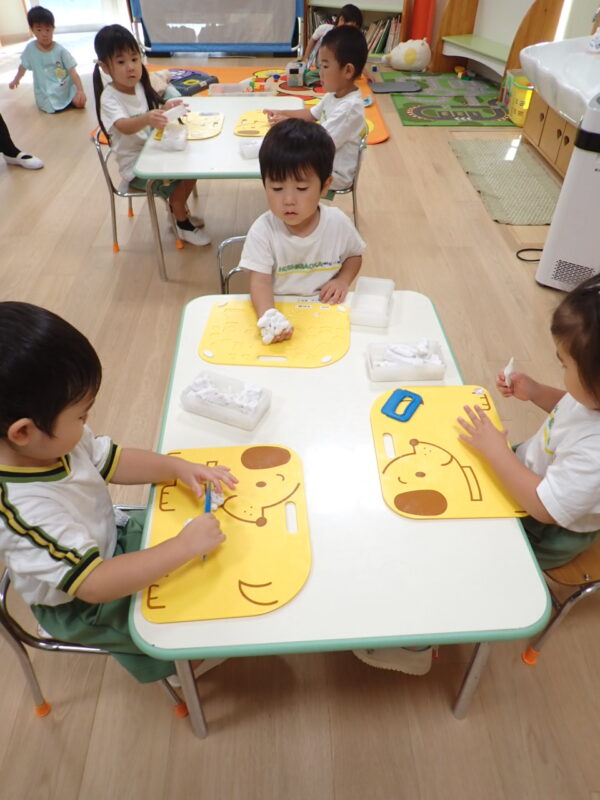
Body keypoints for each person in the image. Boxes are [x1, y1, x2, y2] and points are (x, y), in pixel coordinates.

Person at [0, 301, 238, 684]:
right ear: (23, 431)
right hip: (83, 600)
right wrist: (183, 546)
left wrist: (178, 468)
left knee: (209, 557)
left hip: (106, 540)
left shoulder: (50, 443)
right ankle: (176, 669)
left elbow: (115, 460)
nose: (87, 423)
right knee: (178, 620)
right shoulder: (22, 512)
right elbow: (94, 584)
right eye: (80, 415)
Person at [457, 273, 600, 570]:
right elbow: (573, 407)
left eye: (565, 365)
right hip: (529, 471)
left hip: (544, 528)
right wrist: (535, 391)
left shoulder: (595, 454)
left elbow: (545, 508)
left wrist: (497, 452)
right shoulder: (592, 398)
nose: (561, 369)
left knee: (487, 559)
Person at [239, 118, 365, 344]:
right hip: (281, 308)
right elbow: (259, 283)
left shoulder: (337, 223)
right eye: (277, 188)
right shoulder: (263, 231)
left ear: (325, 186)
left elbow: (354, 256)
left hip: (325, 312)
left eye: (301, 188)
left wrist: (343, 280)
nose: (288, 200)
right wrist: (270, 317)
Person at [93, 24, 209, 246]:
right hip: (136, 166)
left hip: (153, 149)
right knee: (179, 177)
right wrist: (147, 118)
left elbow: (152, 109)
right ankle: (181, 222)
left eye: (134, 59)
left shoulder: (139, 85)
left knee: (192, 167)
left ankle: (177, 211)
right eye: (121, 62)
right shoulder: (110, 98)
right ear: (105, 67)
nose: (130, 67)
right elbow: (124, 126)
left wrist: (167, 107)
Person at [265, 25, 367, 192]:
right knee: (279, 158)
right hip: (322, 160)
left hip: (334, 174)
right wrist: (282, 113)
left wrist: (288, 125)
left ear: (348, 71)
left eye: (325, 67)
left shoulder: (350, 109)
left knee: (282, 165)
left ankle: (296, 207)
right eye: (319, 67)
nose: (320, 73)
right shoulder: (334, 95)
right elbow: (310, 114)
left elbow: (318, 144)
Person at [9, 6, 86, 114]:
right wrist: (16, 79)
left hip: (64, 88)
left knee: (80, 103)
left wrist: (80, 91)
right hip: (45, 93)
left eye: (48, 30)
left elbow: (73, 72)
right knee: (51, 108)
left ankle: (70, 100)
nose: (44, 34)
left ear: (53, 29)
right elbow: (23, 67)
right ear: (32, 30)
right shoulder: (30, 49)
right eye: (39, 30)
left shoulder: (60, 50)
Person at [304, 3, 363, 70]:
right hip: (314, 66)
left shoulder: (349, 40)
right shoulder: (324, 29)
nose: (352, 32)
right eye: (351, 28)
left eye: (355, 30)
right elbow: (312, 40)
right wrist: (305, 58)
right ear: (341, 20)